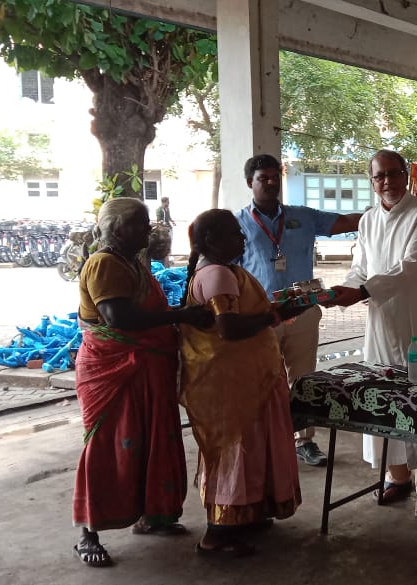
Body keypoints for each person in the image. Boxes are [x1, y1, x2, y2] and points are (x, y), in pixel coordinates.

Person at [72, 198, 212, 567]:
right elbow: (118, 318)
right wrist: (181, 315)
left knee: (150, 441)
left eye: (146, 223)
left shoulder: (132, 263)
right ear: (116, 229)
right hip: (113, 370)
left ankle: (152, 515)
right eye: (138, 224)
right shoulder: (103, 264)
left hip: (146, 368)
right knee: (106, 447)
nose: (147, 230)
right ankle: (88, 532)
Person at [325, 149, 417, 519]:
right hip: (382, 320)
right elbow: (360, 268)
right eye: (379, 176)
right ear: (372, 181)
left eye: (393, 173)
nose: (387, 182)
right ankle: (396, 474)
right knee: (384, 393)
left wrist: (364, 291)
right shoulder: (368, 219)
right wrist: (343, 291)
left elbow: (412, 266)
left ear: (406, 175)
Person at [179, 209, 310, 556]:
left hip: (250, 379)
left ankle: (245, 514)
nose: (241, 239)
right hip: (232, 384)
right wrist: (273, 316)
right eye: (235, 233)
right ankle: (218, 533)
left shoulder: (225, 271)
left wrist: (275, 310)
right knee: (233, 452)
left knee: (251, 449)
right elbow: (230, 328)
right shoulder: (218, 274)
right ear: (211, 241)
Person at [235, 154, 361, 467]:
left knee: (303, 378)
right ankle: (264, 441)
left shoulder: (303, 216)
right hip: (262, 316)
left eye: (274, 176)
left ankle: (304, 441)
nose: (270, 182)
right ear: (249, 182)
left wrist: (387, 210)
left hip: (303, 311)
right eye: (262, 178)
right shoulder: (236, 224)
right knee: (262, 379)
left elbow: (346, 222)